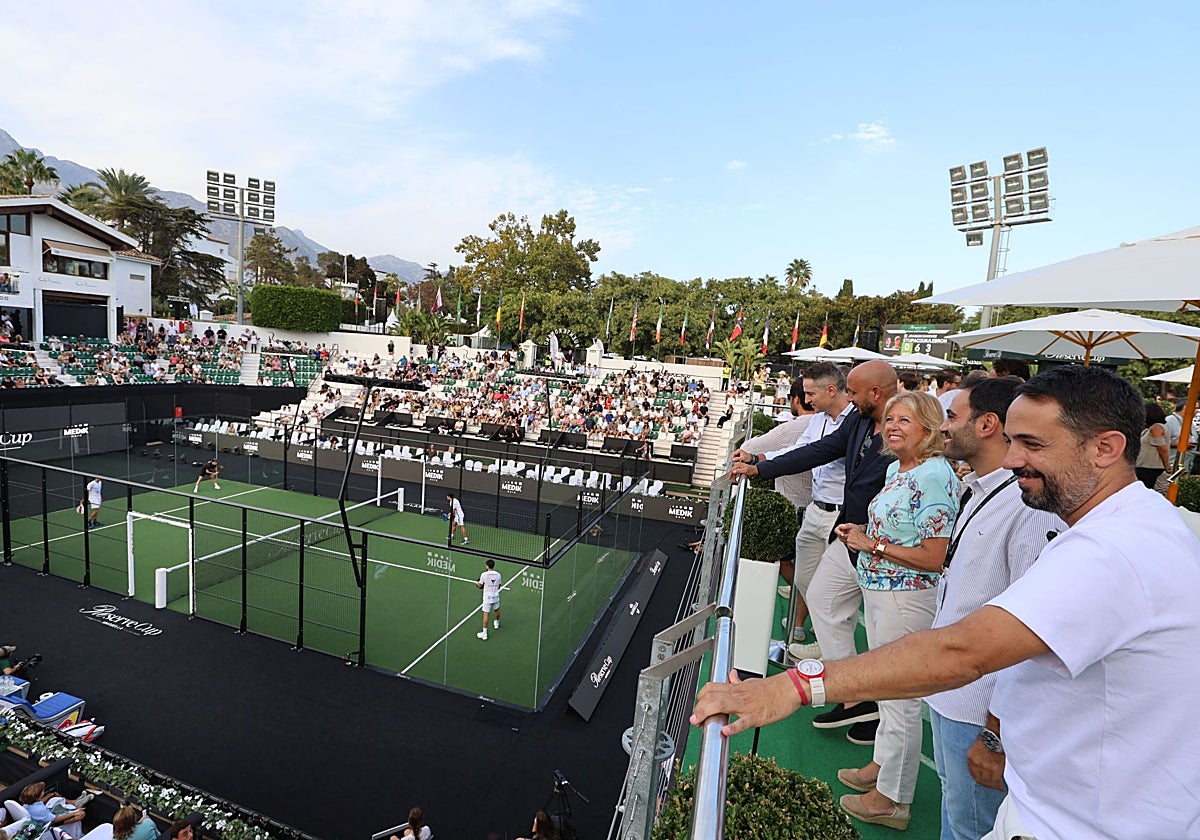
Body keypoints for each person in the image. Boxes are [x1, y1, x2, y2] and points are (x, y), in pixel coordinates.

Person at [692, 365, 1200, 840]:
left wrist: (793, 688)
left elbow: (963, 651)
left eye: (1031, 443)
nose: (1014, 456)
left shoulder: (1115, 548)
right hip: (1050, 798)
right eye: (1012, 438)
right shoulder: (1111, 524)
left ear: (1106, 449)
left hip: (1087, 819)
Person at [729, 359, 898, 745]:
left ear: (875, 393)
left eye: (854, 392)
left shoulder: (904, 426)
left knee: (883, 635)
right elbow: (818, 450)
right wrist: (760, 467)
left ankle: (870, 705)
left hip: (878, 542)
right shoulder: (857, 420)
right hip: (850, 532)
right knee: (820, 594)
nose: (850, 400)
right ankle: (852, 691)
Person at [926, 376, 1063, 840]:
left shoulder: (1029, 506)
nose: (943, 428)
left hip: (980, 708)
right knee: (955, 809)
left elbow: (1033, 632)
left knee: (974, 828)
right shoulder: (985, 489)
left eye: (952, 416)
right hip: (954, 694)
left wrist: (995, 733)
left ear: (986, 424)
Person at [830, 390, 959, 830]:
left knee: (901, 697)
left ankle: (892, 800)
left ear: (929, 427)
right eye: (890, 419)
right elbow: (897, 529)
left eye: (905, 420)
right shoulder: (898, 469)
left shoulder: (935, 477)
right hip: (882, 590)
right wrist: (865, 531)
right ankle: (882, 768)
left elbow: (932, 557)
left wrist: (874, 545)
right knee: (887, 689)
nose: (893, 427)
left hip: (906, 598)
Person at [18, 781, 88, 837]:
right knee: (81, 814)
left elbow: (40, 802)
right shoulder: (39, 810)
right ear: (37, 796)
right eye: (42, 791)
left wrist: (50, 795)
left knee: (55, 799)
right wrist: (74, 813)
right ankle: (77, 807)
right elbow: (55, 820)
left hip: (46, 815)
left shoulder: (27, 804)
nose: (44, 792)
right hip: (49, 825)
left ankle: (75, 802)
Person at [1134, 401, 1170, 490]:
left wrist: (1167, 465)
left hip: (1149, 467)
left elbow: (1162, 448)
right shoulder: (1152, 428)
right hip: (1146, 466)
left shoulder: (1156, 428)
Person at [475, 558, 502, 640]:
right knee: (497, 610)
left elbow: (480, 585)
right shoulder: (498, 575)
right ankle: (496, 623)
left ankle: (484, 634)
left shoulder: (484, 575)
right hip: (495, 596)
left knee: (486, 614)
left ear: (487, 566)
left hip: (487, 598)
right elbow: (499, 586)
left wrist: (477, 584)